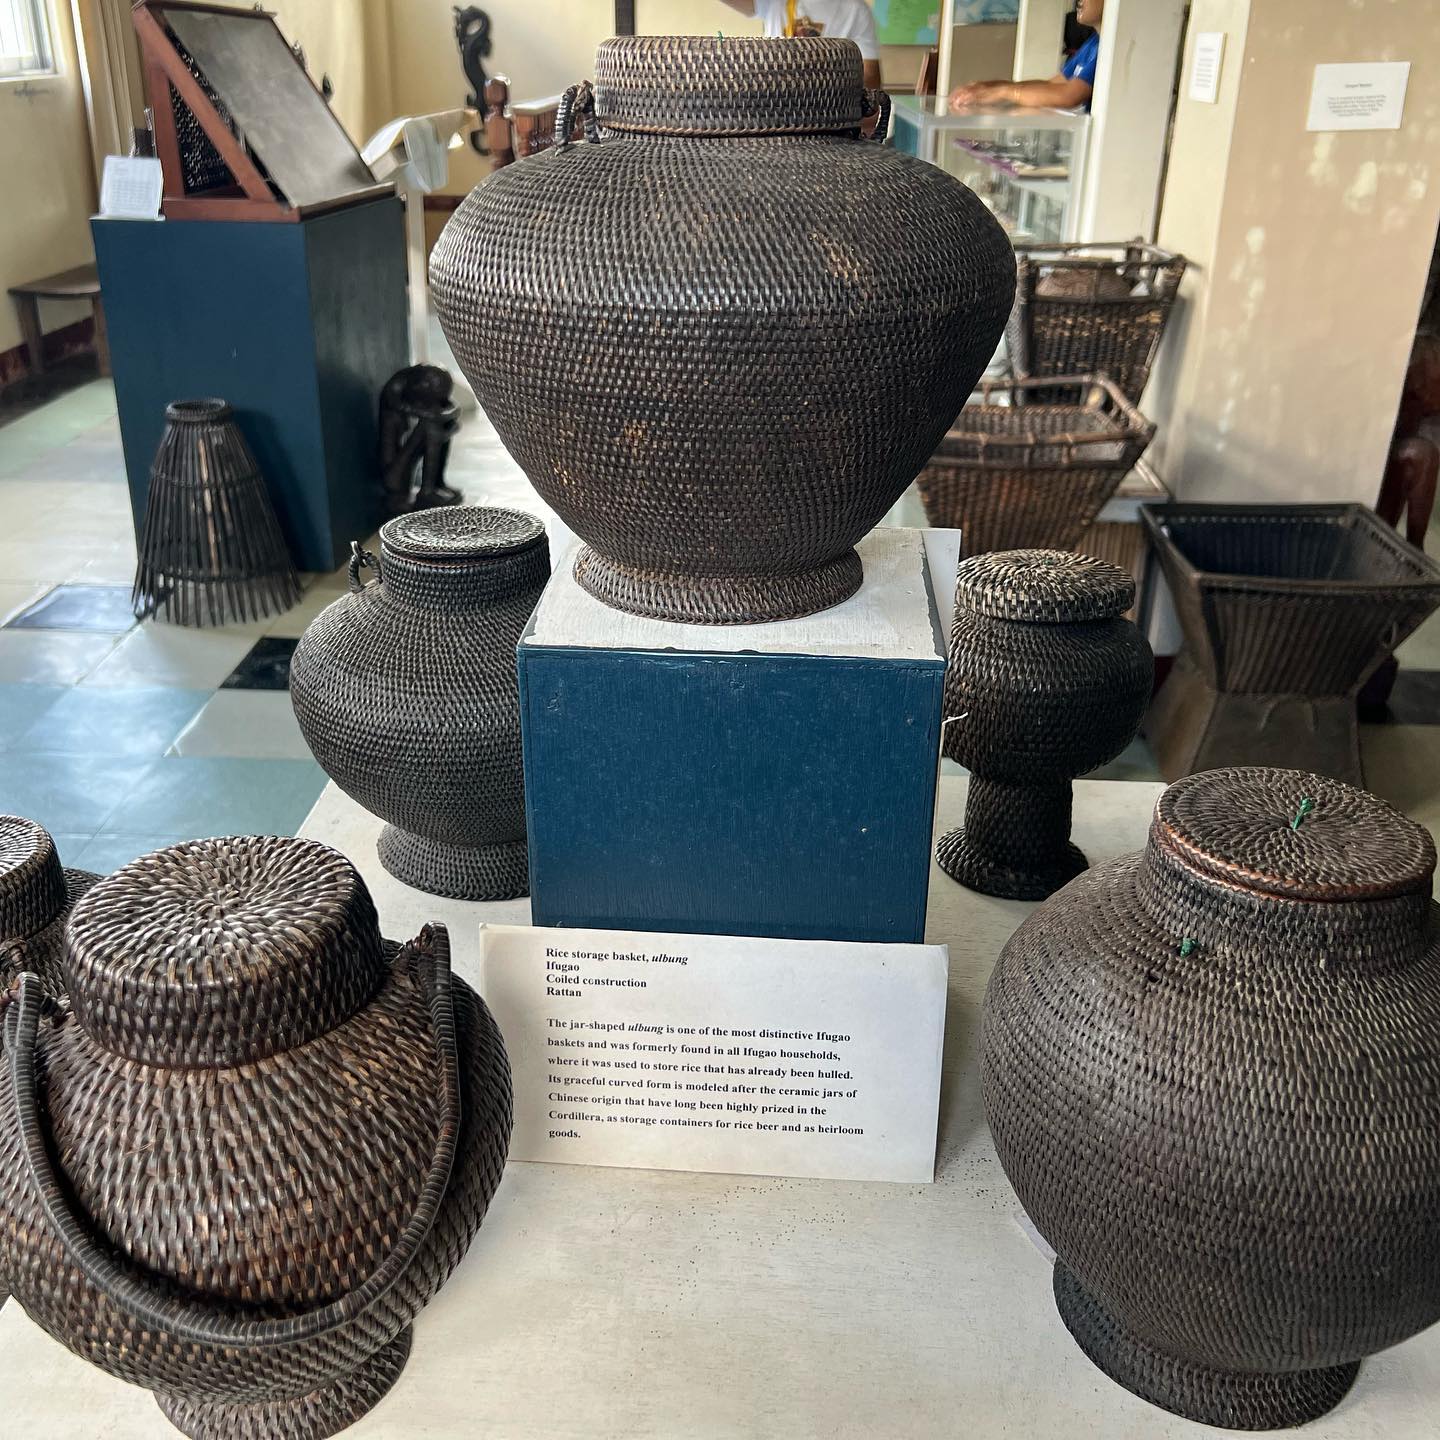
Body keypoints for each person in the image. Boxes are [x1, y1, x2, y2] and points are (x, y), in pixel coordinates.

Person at [949, 0, 1102, 113]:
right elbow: (1052, 84)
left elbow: (1068, 96)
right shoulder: (1094, 42)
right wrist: (990, 86)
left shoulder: (1108, 46)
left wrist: (1003, 92)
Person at [720, 0, 883, 89]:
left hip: (831, 115)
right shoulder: (775, 3)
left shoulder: (855, 9)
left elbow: (870, 80)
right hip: (774, 106)